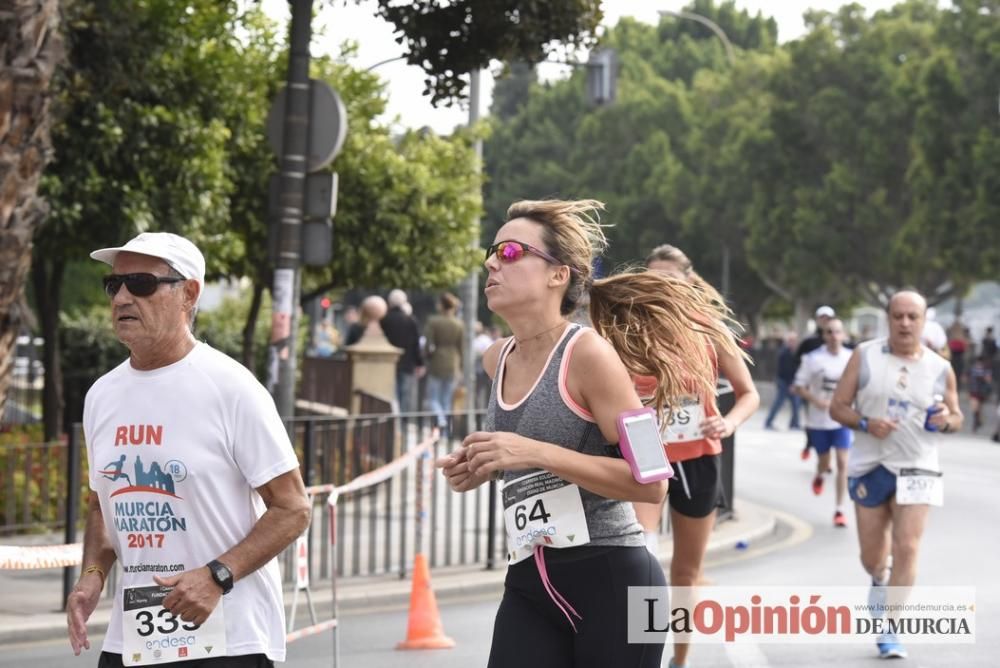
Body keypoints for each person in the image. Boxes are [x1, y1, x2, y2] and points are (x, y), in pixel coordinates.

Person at [438, 199, 744, 667]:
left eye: (512, 253)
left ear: (558, 275)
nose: (492, 262)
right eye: (492, 251)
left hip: (612, 583)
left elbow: (653, 481)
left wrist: (533, 451)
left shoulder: (590, 356)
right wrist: (482, 466)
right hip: (528, 582)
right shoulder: (495, 358)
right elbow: (524, 460)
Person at [66, 233, 311, 667]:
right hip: (136, 640)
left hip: (228, 637)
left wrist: (216, 576)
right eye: (114, 285)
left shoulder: (231, 388)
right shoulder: (101, 395)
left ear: (189, 293)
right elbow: (102, 505)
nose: (122, 296)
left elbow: (293, 508)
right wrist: (91, 576)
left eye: (141, 283)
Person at [637, 244, 759, 668]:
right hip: (645, 454)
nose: (663, 287)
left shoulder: (709, 329)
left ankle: (679, 659)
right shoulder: (628, 327)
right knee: (642, 555)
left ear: (688, 281)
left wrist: (727, 424)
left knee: (685, 572)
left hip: (698, 456)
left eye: (671, 279)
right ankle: (643, 654)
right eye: (654, 280)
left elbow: (748, 394)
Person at [830, 290, 962, 660]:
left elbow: (956, 417)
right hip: (870, 466)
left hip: (918, 465)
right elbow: (838, 407)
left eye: (912, 317)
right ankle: (878, 577)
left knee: (908, 547)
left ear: (923, 321)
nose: (905, 323)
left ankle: (891, 629)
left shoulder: (940, 368)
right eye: (898, 316)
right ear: (888, 319)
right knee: (873, 557)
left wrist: (945, 421)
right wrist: (866, 423)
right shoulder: (864, 355)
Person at [793, 318, 853, 527]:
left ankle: (839, 509)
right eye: (830, 332)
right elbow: (799, 386)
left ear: (843, 335)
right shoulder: (812, 359)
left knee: (843, 464)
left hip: (842, 419)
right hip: (819, 420)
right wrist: (816, 401)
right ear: (824, 335)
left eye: (838, 332)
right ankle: (819, 474)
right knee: (825, 463)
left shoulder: (852, 358)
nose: (834, 336)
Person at [794, 305, 837, 460]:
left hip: (833, 389)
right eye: (822, 318)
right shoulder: (809, 342)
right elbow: (797, 362)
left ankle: (829, 455)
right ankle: (811, 445)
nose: (825, 321)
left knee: (835, 422)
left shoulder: (840, 342)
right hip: (812, 388)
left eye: (828, 318)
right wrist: (797, 383)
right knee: (812, 419)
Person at [381, 289, 425, 413]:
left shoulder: (384, 320)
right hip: (407, 364)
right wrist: (420, 363)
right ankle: (402, 424)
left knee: (390, 394)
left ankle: (393, 423)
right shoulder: (411, 320)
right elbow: (416, 344)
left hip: (388, 364)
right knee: (404, 396)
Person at [424, 293, 464, 429]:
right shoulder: (459, 324)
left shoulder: (433, 321)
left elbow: (428, 344)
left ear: (441, 305)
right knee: (446, 399)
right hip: (453, 362)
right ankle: (446, 430)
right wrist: (461, 367)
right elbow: (461, 347)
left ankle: (440, 420)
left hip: (437, 361)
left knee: (433, 398)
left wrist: (426, 357)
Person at [764, 331, 802, 431]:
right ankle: (768, 422)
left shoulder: (797, 353)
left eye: (794, 341)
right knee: (778, 403)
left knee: (796, 404)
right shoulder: (784, 353)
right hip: (784, 382)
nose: (793, 343)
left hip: (793, 382)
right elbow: (785, 370)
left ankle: (795, 423)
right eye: (791, 341)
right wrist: (791, 384)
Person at [968, 354, 993, 432]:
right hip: (973, 390)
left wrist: (982, 377)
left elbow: (988, 380)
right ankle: (977, 421)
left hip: (982, 391)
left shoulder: (986, 370)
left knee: (979, 408)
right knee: (974, 407)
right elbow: (966, 377)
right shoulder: (972, 369)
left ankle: (977, 421)